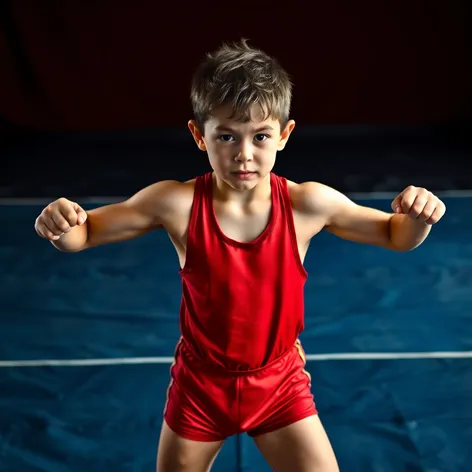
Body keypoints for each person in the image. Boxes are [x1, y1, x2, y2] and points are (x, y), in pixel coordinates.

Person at [34, 39, 446, 472]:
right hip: (200, 387)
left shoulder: (308, 204)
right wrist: (61, 224)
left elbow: (395, 235)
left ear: (284, 135)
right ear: (199, 135)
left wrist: (419, 215)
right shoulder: (175, 203)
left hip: (279, 384)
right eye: (226, 136)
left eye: (260, 136)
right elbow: (84, 234)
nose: (243, 153)